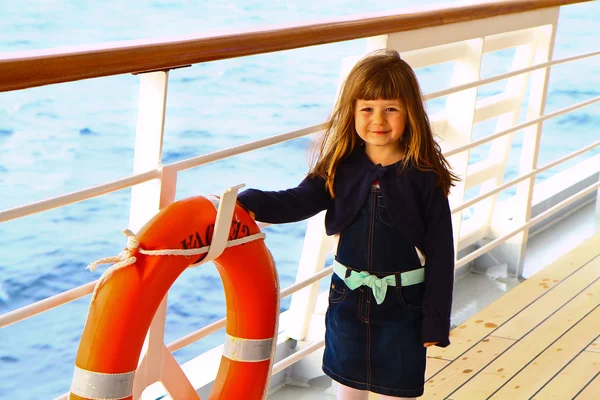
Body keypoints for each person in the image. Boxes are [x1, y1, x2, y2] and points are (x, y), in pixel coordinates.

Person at [236, 49, 458, 399]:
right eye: (367, 108)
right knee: (348, 391)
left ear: (410, 112)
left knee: (396, 391)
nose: (378, 119)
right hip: (347, 303)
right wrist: (249, 201)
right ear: (352, 112)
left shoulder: (424, 176)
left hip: (404, 308)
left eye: (391, 108)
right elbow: (297, 200)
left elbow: (442, 254)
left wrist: (435, 321)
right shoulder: (340, 165)